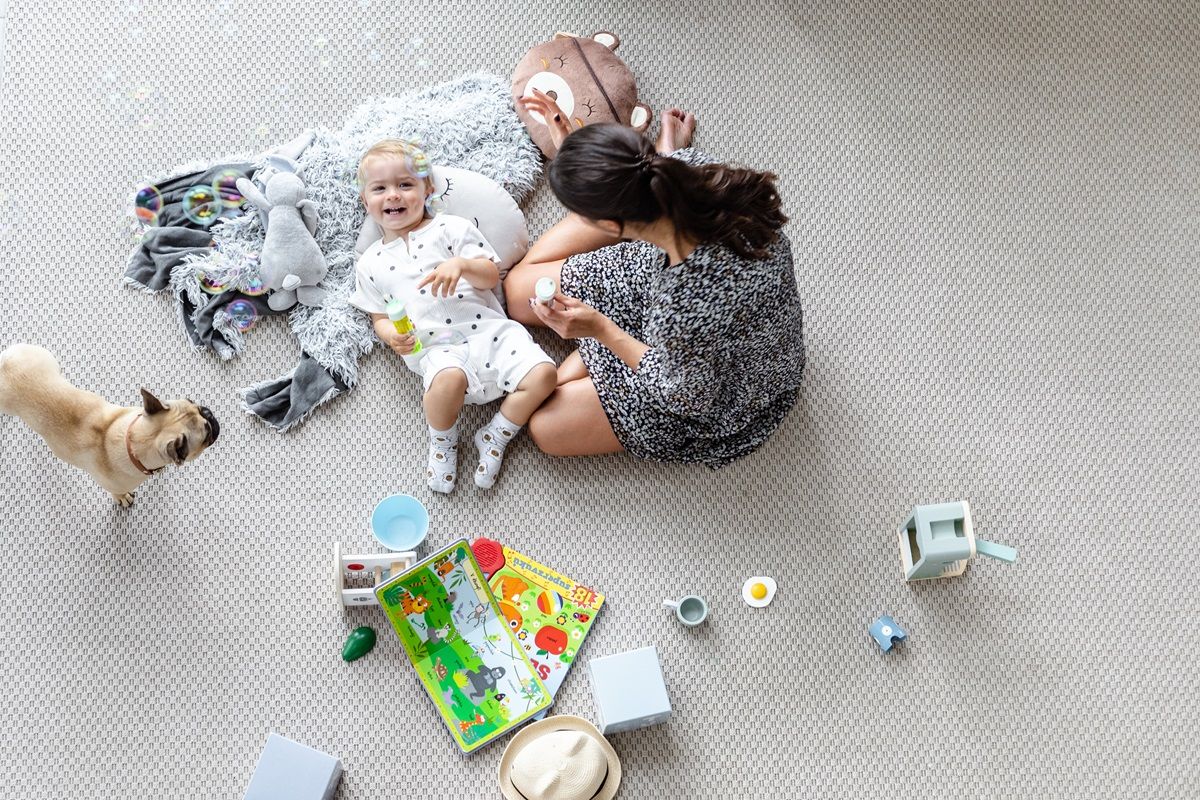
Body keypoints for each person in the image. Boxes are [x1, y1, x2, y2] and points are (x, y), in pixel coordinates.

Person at [506, 95, 805, 468]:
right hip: (674, 293)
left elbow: (687, 396)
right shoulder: (695, 173)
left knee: (545, 425)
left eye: (584, 215)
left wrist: (600, 329)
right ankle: (599, 351)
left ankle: (599, 347)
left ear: (613, 228)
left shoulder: (679, 305)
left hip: (724, 385)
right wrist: (579, 154)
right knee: (517, 292)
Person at [349, 139, 556, 492]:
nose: (393, 196)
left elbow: (491, 276)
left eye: (405, 185)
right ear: (365, 201)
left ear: (427, 189)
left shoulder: (451, 228)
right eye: (380, 189)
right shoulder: (370, 262)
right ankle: (443, 441)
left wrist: (461, 266)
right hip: (436, 344)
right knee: (446, 382)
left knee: (545, 375)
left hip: (491, 332)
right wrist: (390, 336)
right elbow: (378, 316)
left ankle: (496, 434)